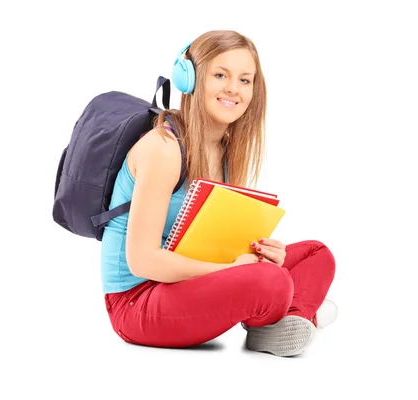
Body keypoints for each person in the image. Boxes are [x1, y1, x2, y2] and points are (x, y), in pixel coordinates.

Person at [100, 30, 337, 357]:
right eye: (220, 75)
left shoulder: (227, 150)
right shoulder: (164, 149)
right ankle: (296, 311)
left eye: (245, 80)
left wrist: (260, 255)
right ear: (190, 79)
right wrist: (237, 272)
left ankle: (285, 322)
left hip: (187, 281)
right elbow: (141, 261)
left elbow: (220, 242)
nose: (233, 89)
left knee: (315, 254)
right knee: (271, 282)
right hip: (137, 302)